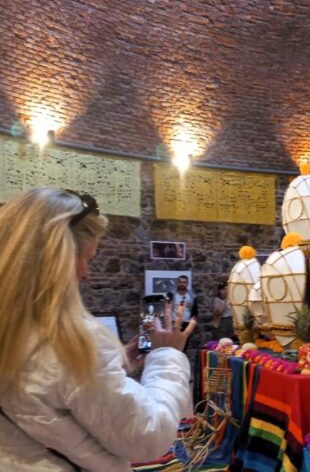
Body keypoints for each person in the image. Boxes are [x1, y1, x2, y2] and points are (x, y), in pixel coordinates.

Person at [0, 188, 197, 471]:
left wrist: (114, 364)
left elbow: (53, 398)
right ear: (58, 259)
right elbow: (148, 437)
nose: (86, 273)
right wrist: (166, 355)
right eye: (88, 259)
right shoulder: (68, 342)